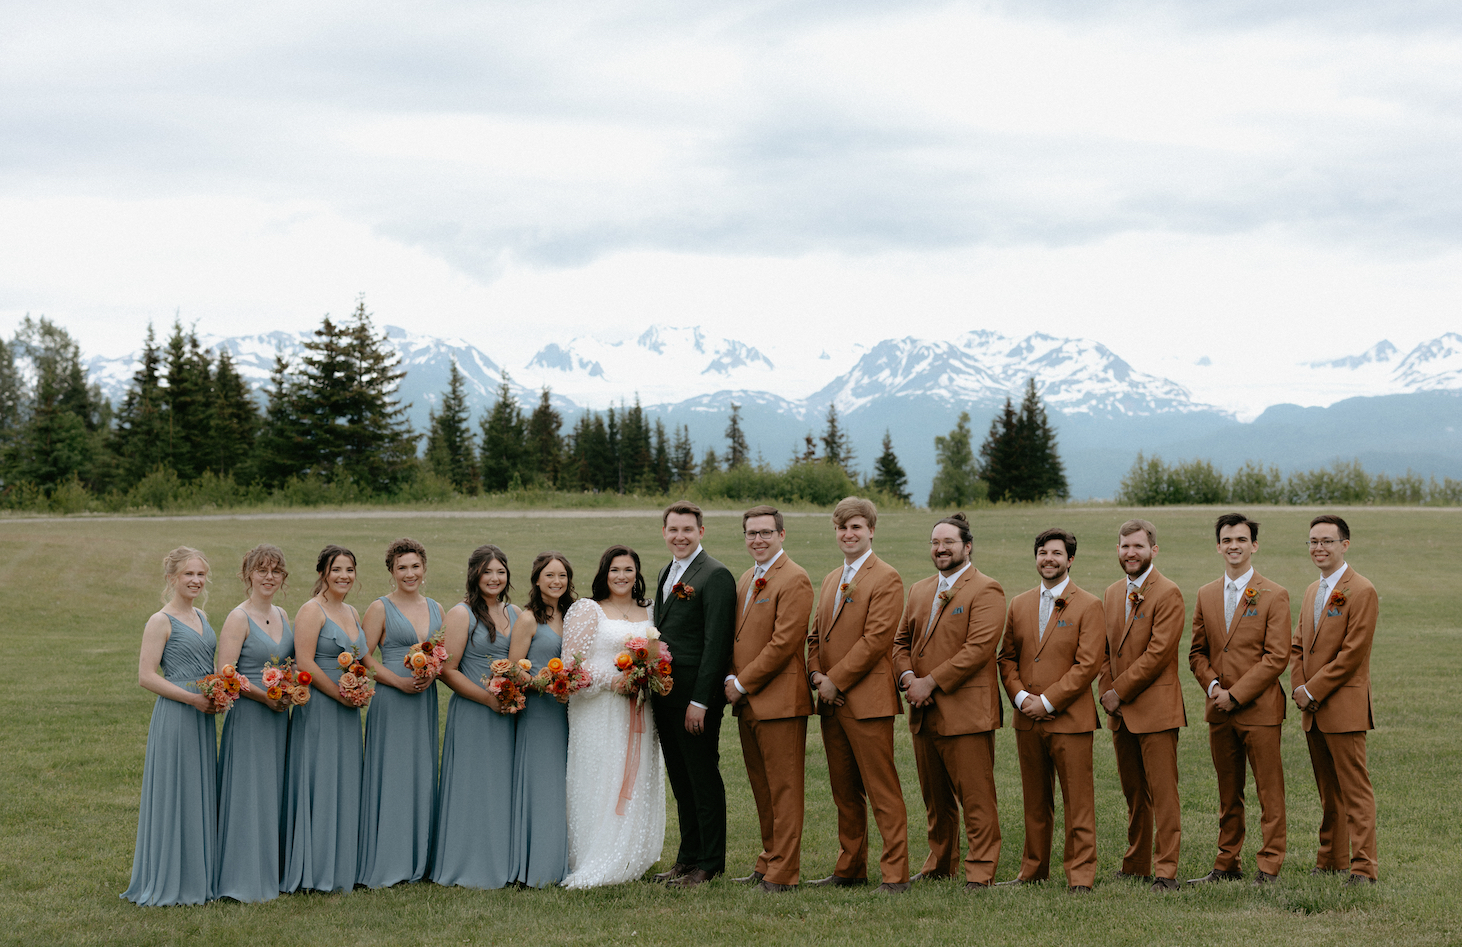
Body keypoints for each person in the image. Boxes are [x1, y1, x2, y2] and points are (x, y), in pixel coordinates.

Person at [892, 512, 1005, 891]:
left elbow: (977, 649)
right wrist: (908, 678)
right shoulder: (920, 589)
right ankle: (940, 864)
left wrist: (930, 683)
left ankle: (981, 869)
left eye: (949, 542)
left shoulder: (986, 589)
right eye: (935, 543)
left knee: (975, 797)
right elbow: (900, 643)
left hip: (966, 712)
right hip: (923, 711)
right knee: (935, 798)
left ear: (967, 546)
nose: (940, 549)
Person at [806, 496, 911, 894]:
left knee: (881, 789)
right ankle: (850, 867)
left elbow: (876, 640)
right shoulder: (833, 577)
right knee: (844, 790)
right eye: (841, 528)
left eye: (856, 527)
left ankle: (895, 874)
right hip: (830, 700)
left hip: (867, 701)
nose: (848, 534)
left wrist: (836, 680)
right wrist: (816, 674)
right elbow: (816, 633)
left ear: (871, 531)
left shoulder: (886, 577)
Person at [996, 528, 1104, 893]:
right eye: (1043, 552)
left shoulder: (1088, 604)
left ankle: (1080, 876)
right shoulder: (1019, 603)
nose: (1048, 559)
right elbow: (1006, 658)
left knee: (1078, 803)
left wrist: (1048, 701)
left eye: (1056, 553)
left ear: (1070, 559)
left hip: (1070, 720)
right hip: (1026, 719)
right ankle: (1033, 870)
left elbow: (1088, 664)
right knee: (1035, 800)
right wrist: (1020, 698)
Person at [1187, 513, 1290, 885]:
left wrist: (1238, 694)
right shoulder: (1205, 593)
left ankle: (1269, 864)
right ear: (1218, 546)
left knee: (1268, 791)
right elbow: (1197, 652)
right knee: (1228, 792)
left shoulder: (1274, 594)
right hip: (1218, 709)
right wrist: (1215, 689)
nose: (1234, 546)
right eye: (1227, 539)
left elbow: (1277, 656)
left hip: (1260, 710)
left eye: (1241, 540)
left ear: (1254, 546)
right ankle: (1226, 863)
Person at [561, 547, 667, 888]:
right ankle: (596, 852)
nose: (622, 576)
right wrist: (613, 680)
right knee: (601, 775)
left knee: (636, 776)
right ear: (604, 573)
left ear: (637, 573)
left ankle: (631, 852)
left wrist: (648, 675)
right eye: (615, 569)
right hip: (599, 709)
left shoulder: (651, 609)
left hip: (640, 707)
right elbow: (570, 666)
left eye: (628, 569)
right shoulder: (588, 609)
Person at [724, 505, 815, 893]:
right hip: (749, 702)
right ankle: (768, 859)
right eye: (751, 533)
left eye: (765, 533)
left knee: (784, 789)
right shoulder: (747, 577)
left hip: (779, 702)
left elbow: (784, 643)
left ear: (781, 534)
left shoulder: (794, 578)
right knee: (762, 788)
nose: (757, 540)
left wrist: (741, 683)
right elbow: (739, 636)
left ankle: (785, 872)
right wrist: (731, 676)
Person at [123, 547, 220, 906]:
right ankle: (168, 877)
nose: (195, 581)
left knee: (198, 790)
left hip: (203, 715)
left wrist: (216, 693)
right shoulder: (160, 621)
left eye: (200, 575)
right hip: (178, 715)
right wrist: (192, 698)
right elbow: (146, 677)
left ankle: (197, 873)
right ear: (171, 579)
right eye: (188, 575)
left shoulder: (202, 616)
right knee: (175, 792)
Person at [650, 501, 737, 889]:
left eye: (687, 529)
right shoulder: (667, 572)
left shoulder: (715, 575)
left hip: (695, 698)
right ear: (664, 532)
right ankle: (687, 857)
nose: (680, 536)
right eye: (673, 530)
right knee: (680, 779)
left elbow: (716, 644)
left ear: (701, 531)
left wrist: (701, 702)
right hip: (665, 695)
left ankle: (710, 862)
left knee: (702, 777)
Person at [1291, 514, 1379, 885]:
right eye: (1313, 541)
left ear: (1345, 544)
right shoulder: (1313, 590)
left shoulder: (1362, 590)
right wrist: (1299, 688)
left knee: (1354, 790)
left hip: (1342, 707)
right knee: (1328, 791)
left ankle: (1364, 868)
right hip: (1311, 708)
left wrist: (1312, 690)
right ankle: (1330, 859)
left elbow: (1352, 654)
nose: (1319, 548)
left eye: (1327, 541)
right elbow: (1297, 645)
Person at [1100, 519, 1187, 892]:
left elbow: (1158, 654)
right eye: (1124, 547)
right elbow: (1103, 650)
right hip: (1120, 712)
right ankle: (1135, 863)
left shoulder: (1168, 593)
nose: (1130, 553)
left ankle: (1166, 871)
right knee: (1134, 792)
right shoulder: (1110, 593)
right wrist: (1107, 691)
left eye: (1137, 546)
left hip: (1156, 709)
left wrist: (1119, 691)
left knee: (1163, 793)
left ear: (1153, 550)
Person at [357, 538, 444, 888]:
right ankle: (387, 858)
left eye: (415, 566)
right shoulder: (380, 608)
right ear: (392, 572)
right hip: (392, 700)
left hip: (424, 701)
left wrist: (431, 672)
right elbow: (362, 658)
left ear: (424, 569)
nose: (409, 573)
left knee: (420, 774)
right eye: (402, 568)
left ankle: (418, 860)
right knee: (391, 775)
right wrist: (397, 682)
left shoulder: (437, 608)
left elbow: (443, 654)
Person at [433, 545, 520, 889]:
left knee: (500, 787)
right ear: (474, 575)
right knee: (472, 787)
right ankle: (465, 862)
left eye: (500, 571)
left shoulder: (514, 612)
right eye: (487, 572)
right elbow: (447, 670)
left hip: (508, 712)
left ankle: (501, 859)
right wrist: (487, 699)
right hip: (474, 710)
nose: (495, 578)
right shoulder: (461, 613)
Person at [281, 545, 366, 894]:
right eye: (336, 570)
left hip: (348, 706)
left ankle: (341, 863)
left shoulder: (353, 611)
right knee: (319, 778)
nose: (343, 576)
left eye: (349, 569)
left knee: (344, 780)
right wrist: (340, 693)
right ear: (323, 573)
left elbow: (358, 658)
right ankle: (313, 868)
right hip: (319, 704)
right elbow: (304, 662)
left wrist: (358, 688)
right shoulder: (311, 610)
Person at [215, 544, 294, 903]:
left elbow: (290, 666)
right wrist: (266, 697)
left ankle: (272, 870)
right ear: (248, 574)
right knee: (249, 792)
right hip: (250, 717)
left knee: (273, 791)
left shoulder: (282, 614)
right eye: (261, 570)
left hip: (279, 720)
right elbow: (225, 674)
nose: (268, 577)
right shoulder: (238, 617)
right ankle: (242, 876)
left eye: (275, 571)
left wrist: (290, 690)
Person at [507, 551, 575, 887]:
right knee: (541, 784)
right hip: (539, 712)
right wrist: (543, 684)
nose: (556, 581)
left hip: (570, 711)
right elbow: (513, 670)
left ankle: (566, 857)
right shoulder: (528, 619)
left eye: (562, 575)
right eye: (550, 575)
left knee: (566, 784)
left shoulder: (574, 615)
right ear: (537, 580)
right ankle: (536, 864)